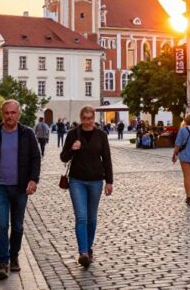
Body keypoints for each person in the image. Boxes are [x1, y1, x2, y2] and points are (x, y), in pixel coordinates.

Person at [0, 100, 42, 280]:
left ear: (18, 114)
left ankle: (14, 256)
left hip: (21, 187)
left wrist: (33, 179)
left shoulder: (27, 134)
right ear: (2, 114)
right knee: (2, 224)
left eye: (13, 113)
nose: (9, 116)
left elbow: (35, 158)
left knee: (18, 225)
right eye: (6, 113)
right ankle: (3, 262)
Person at [60, 106, 114, 268]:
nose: (88, 121)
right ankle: (83, 252)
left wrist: (109, 182)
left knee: (92, 218)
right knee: (81, 217)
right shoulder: (72, 134)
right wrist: (72, 148)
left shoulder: (101, 135)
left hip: (96, 181)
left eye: (91, 118)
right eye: (85, 118)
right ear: (81, 118)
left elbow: (107, 159)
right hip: (77, 181)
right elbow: (63, 157)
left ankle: (89, 248)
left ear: (94, 118)